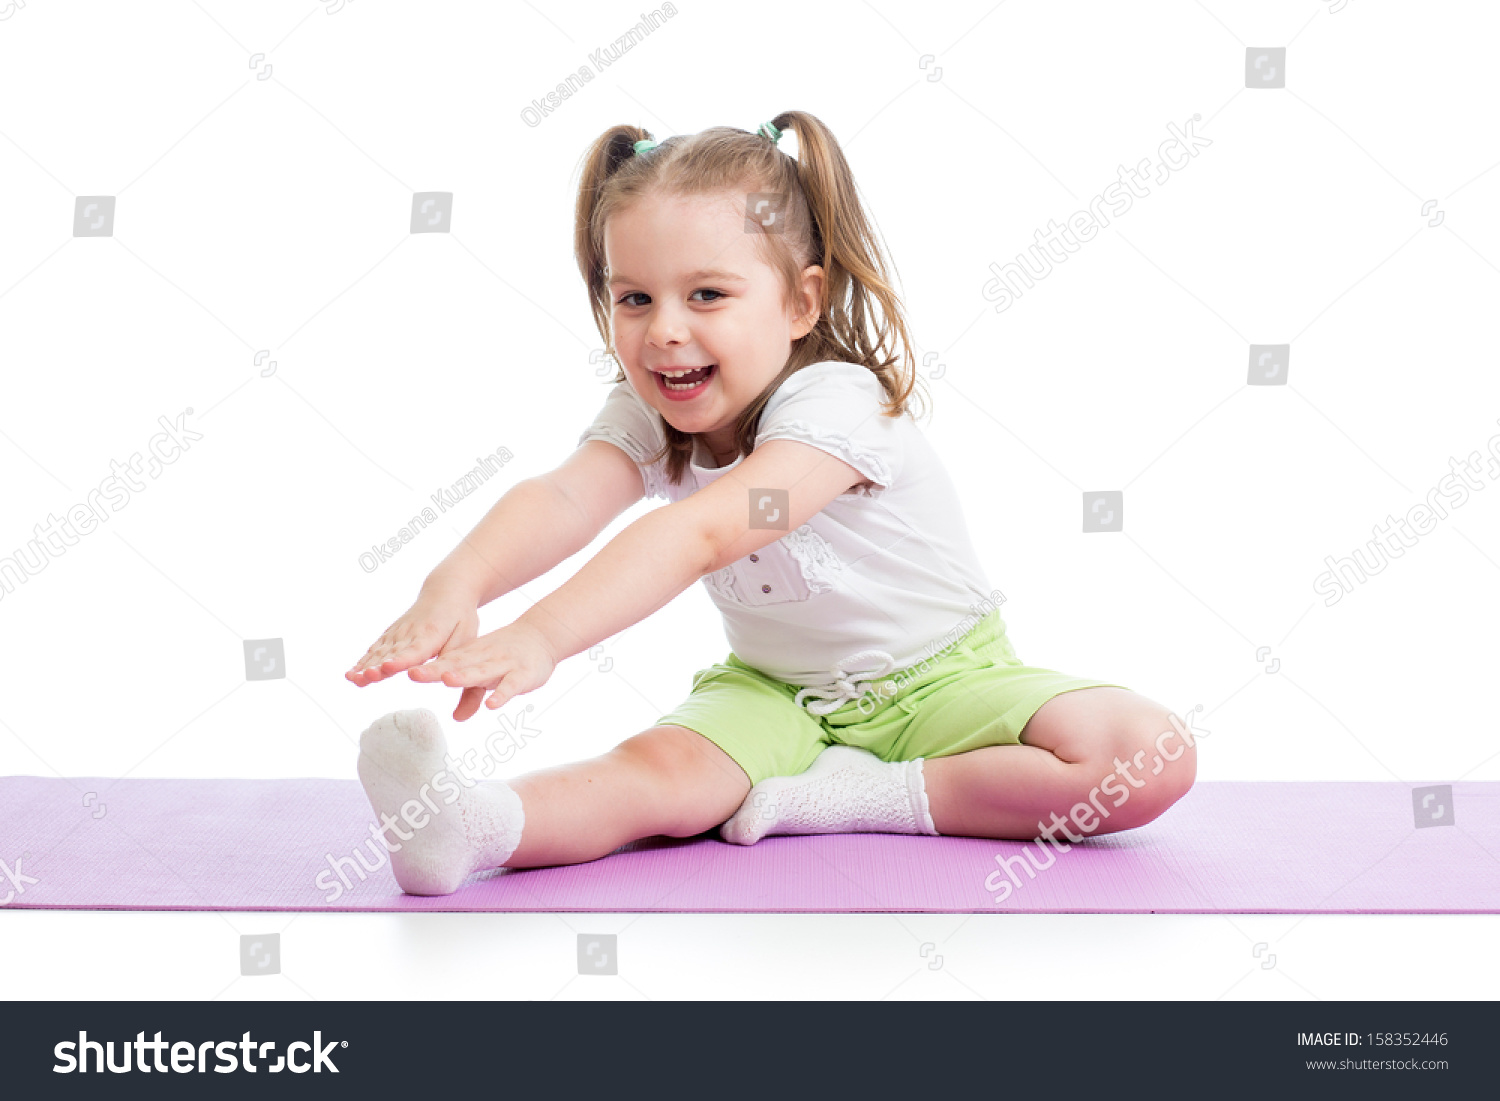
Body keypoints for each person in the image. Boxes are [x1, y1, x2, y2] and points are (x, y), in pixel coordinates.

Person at [345, 112, 1196, 896]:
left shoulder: (837, 404)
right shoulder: (652, 412)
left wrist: (541, 635)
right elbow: (568, 494)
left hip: (946, 680)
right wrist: (453, 588)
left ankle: (863, 797)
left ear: (801, 301)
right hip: (775, 690)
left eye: (706, 294)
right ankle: (470, 824)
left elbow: (705, 533)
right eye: (634, 297)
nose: (664, 330)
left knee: (1147, 755)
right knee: (661, 773)